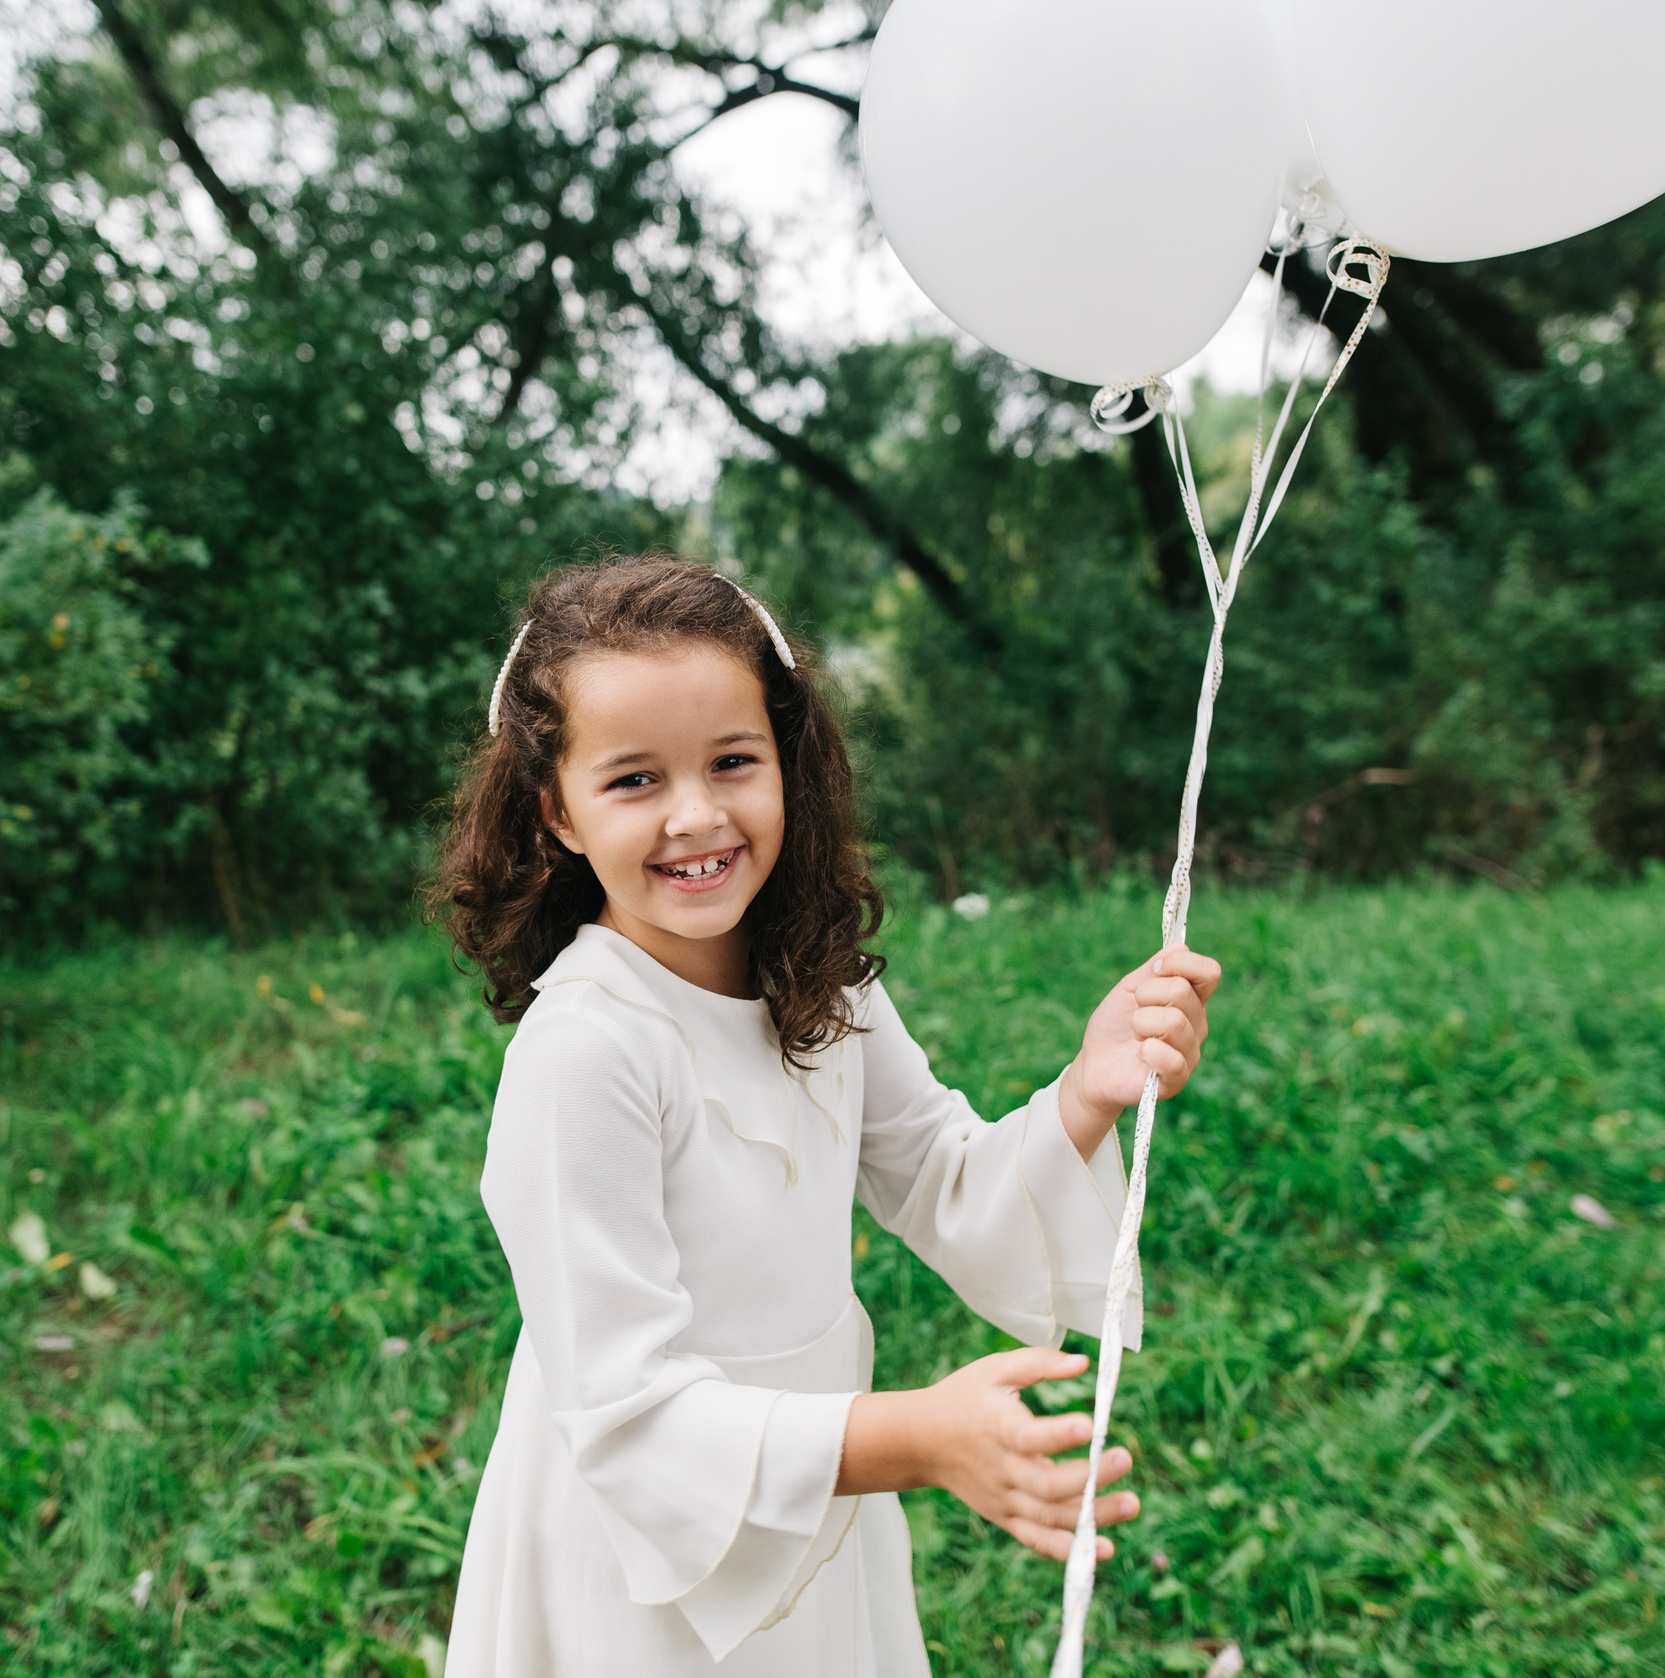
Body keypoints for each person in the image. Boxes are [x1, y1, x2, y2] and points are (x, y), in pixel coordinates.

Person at [432, 554, 1219, 1677]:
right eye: (634, 780)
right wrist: (914, 1436)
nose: (695, 813)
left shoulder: (822, 982)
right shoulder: (587, 1050)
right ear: (556, 809)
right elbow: (625, 1412)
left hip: (809, 1491)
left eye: (731, 761)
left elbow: (944, 1179)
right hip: (643, 1552)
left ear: (787, 760)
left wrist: (1086, 1086)